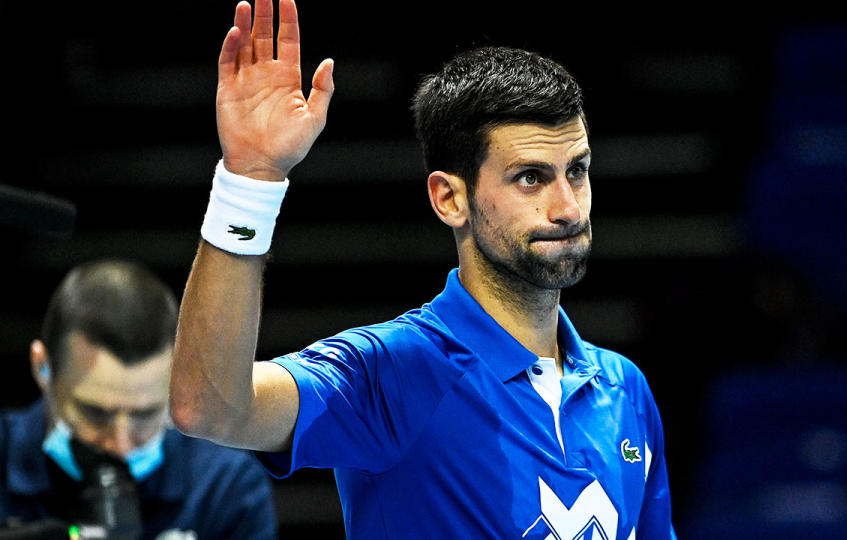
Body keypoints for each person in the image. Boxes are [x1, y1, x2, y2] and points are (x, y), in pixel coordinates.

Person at [171, 0, 677, 538]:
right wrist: (250, 181)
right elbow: (209, 407)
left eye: (576, 171)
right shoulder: (393, 372)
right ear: (449, 198)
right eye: (530, 178)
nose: (568, 207)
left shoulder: (626, 389)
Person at [0, 260, 278, 539]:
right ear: (42, 368)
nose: (121, 446)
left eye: (145, 415)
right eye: (96, 413)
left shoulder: (222, 487)